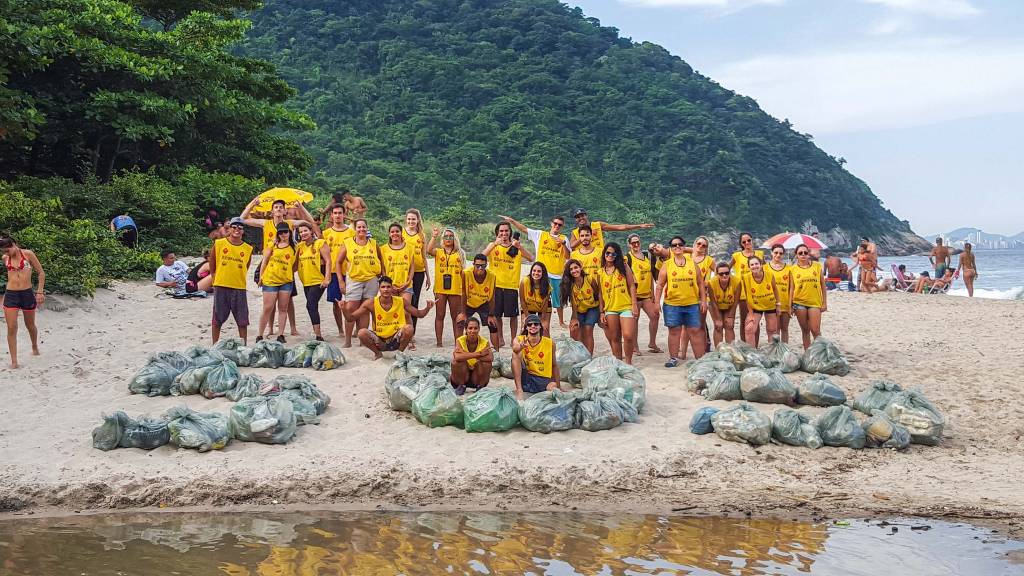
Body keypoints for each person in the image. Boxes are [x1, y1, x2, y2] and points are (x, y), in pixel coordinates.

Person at [241, 198, 317, 336]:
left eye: (281, 207)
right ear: (272, 211)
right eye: (276, 207)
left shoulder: (289, 224)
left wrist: (301, 208)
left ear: (285, 210)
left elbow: (310, 223)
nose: (278, 209)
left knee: (288, 299)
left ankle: (293, 328)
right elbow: (242, 219)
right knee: (270, 301)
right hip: (268, 262)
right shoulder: (266, 223)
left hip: (285, 264)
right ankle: (269, 328)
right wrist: (252, 204)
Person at [499, 214, 570, 327]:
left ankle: (561, 321)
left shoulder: (564, 238)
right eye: (555, 223)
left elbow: (567, 256)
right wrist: (512, 220)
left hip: (556, 274)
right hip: (540, 273)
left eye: (560, 225)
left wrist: (563, 244)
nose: (557, 226)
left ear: (562, 226)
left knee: (558, 300)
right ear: (551, 223)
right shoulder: (540, 234)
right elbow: (524, 229)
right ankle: (532, 317)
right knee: (535, 296)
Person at [655, 236, 707, 367]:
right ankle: (673, 358)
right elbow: (660, 285)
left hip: (692, 303)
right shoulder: (667, 264)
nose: (677, 247)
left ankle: (699, 360)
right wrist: (656, 302)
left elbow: (700, 283)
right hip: (672, 304)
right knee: (674, 331)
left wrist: (703, 301)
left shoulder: (692, 263)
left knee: (695, 331)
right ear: (671, 248)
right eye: (674, 245)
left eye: (679, 244)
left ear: (684, 247)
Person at [354, 276, 435, 359]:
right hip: (379, 340)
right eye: (383, 287)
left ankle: (399, 353)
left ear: (392, 288)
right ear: (379, 289)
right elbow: (351, 317)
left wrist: (427, 308)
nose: (386, 289)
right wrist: (344, 309)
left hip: (396, 339)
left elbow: (419, 314)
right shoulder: (371, 303)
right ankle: (378, 353)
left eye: (388, 287)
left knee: (409, 328)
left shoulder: (400, 301)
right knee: (361, 333)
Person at [484, 221, 534, 351]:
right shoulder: (493, 245)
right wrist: (494, 244)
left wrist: (520, 247)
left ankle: (513, 339)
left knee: (513, 315)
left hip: (511, 285)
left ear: (510, 232)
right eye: (501, 231)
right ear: (497, 233)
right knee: (497, 314)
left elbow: (531, 258)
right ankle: (500, 338)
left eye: (506, 231)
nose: (504, 233)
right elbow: (481, 257)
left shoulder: (515, 247)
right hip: (495, 285)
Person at [337, 218, 383, 347]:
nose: (361, 229)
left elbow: (381, 260)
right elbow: (338, 262)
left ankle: (363, 341)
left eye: (364, 227)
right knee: (350, 309)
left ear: (367, 228)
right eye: (359, 227)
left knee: (365, 310)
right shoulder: (348, 243)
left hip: (371, 280)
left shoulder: (373, 243)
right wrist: (341, 281)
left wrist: (383, 277)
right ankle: (347, 341)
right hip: (354, 279)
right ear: (355, 229)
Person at [1, 237, 44, 369]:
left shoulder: (28, 254)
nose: (6, 253)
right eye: (4, 251)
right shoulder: (5, 258)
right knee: (12, 327)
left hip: (27, 294)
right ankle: (14, 361)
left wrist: (40, 292)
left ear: (14, 245)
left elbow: (41, 272)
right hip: (11, 295)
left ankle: (34, 346)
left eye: (8, 250)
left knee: (30, 325)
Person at [209, 217, 253, 345]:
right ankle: (214, 345)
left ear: (243, 231)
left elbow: (246, 266)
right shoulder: (220, 244)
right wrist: (214, 278)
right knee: (217, 319)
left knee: (242, 320)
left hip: (239, 287)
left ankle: (243, 345)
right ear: (230, 228)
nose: (237, 230)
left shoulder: (247, 249)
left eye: (240, 228)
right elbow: (212, 262)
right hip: (221, 285)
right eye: (234, 227)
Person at [598, 241, 640, 364]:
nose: (610, 255)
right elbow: (600, 293)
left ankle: (628, 362)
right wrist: (601, 312)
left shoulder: (623, 266)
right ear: (604, 254)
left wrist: (634, 305)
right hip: (610, 308)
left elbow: (632, 285)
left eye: (614, 254)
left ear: (618, 255)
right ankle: (618, 362)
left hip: (626, 306)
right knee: (614, 337)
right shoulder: (600, 272)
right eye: (608, 253)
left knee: (628, 335)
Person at [256, 223, 297, 343]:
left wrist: (288, 272)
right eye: (281, 232)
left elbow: (296, 264)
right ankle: (260, 334)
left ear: (289, 233)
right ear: (277, 234)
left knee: (283, 308)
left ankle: (281, 334)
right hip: (270, 280)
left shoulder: (295, 247)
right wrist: (261, 276)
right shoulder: (272, 245)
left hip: (286, 281)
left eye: (286, 232)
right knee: (267, 307)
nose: (284, 235)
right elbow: (265, 260)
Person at [427, 226, 466, 347]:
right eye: (446, 236)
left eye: (451, 236)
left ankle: (457, 342)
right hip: (440, 289)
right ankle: (439, 342)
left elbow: (464, 273)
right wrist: (434, 236)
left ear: (455, 238)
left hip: (456, 289)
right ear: (443, 239)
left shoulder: (460, 253)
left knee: (456, 316)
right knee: (440, 315)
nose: (448, 239)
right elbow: (428, 250)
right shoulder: (439, 252)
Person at [321, 204, 355, 339]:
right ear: (331, 215)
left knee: (353, 301)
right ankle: (341, 329)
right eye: (335, 213)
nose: (337, 215)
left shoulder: (351, 232)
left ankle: (354, 328)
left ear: (344, 214)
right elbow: (323, 256)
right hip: (334, 272)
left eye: (340, 213)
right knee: (336, 302)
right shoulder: (326, 233)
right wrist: (326, 274)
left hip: (351, 271)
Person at [295, 222, 332, 341]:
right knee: (313, 306)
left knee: (310, 305)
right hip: (306, 281)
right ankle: (317, 333)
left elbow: (328, 261)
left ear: (311, 231)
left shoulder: (320, 243)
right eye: (300, 232)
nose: (303, 233)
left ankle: (319, 335)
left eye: (305, 231)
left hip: (318, 280)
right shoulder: (300, 246)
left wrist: (327, 278)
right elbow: (295, 264)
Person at [626, 234, 661, 354]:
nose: (636, 244)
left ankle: (652, 343)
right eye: (633, 243)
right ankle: (635, 347)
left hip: (646, 294)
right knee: (634, 320)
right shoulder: (628, 258)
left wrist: (653, 293)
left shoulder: (647, 256)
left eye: (637, 242)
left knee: (655, 316)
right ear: (629, 244)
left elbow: (651, 275)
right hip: (634, 296)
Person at [511, 313, 561, 400]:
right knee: (516, 354)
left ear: (540, 326)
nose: (533, 326)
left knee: (554, 391)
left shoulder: (550, 343)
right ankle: (519, 390)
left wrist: (559, 385)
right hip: (526, 377)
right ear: (526, 327)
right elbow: (515, 348)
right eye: (529, 324)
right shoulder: (520, 339)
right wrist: (520, 346)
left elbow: (554, 365)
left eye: (536, 324)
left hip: (543, 379)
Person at [567, 208, 654, 254]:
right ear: (575, 220)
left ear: (586, 216)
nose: (581, 218)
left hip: (600, 256)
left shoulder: (597, 225)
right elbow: (571, 246)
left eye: (582, 215)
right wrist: (584, 236)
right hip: (585, 260)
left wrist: (639, 226)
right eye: (578, 217)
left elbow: (620, 227)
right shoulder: (575, 232)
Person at [789, 243, 827, 349]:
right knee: (805, 330)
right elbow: (791, 289)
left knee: (815, 330)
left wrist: (824, 303)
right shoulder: (792, 269)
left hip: (815, 302)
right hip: (799, 303)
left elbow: (823, 286)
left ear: (808, 254)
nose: (803, 255)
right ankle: (808, 354)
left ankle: (820, 352)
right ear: (796, 255)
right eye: (800, 253)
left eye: (805, 252)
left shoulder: (817, 266)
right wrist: (790, 306)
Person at [560, 258, 600, 354]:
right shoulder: (570, 284)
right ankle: (577, 355)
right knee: (574, 329)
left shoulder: (589, 278)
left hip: (593, 307)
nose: (574, 271)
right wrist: (574, 318)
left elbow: (598, 294)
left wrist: (602, 312)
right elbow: (573, 303)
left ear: (581, 267)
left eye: (576, 267)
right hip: (579, 310)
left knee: (588, 329)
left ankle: (589, 357)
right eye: (571, 269)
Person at [730, 232, 764, 343]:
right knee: (745, 320)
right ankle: (745, 344)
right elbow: (725, 270)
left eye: (749, 240)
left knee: (755, 321)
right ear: (741, 243)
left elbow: (765, 272)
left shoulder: (759, 254)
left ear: (752, 240)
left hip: (757, 292)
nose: (747, 243)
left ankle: (755, 345)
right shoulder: (737, 256)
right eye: (744, 242)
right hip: (743, 293)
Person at [403, 209, 431, 333]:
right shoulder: (402, 233)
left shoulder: (421, 235)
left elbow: (424, 256)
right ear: (406, 219)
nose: (411, 221)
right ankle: (402, 329)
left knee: (415, 301)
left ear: (418, 220)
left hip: (419, 272)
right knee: (404, 302)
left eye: (413, 219)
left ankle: (412, 331)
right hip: (404, 271)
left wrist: (428, 276)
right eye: (409, 219)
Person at [742, 256, 779, 347]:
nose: (754, 266)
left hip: (770, 305)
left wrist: (778, 305)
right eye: (752, 265)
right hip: (756, 306)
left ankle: (772, 352)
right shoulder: (746, 277)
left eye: (756, 264)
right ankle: (752, 353)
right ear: (749, 267)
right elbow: (748, 296)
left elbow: (775, 289)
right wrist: (750, 313)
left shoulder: (769, 275)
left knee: (772, 330)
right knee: (749, 329)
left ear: (761, 265)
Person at [450, 316, 494, 395]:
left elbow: (490, 358)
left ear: (479, 329)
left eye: (475, 328)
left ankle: (480, 386)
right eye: (470, 328)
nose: (473, 331)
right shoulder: (460, 340)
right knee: (456, 362)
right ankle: (461, 385)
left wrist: (464, 354)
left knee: (487, 364)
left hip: (477, 376)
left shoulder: (485, 342)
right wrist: (479, 354)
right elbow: (457, 357)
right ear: (466, 329)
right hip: (462, 375)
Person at [459, 254, 497, 335]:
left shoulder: (492, 275)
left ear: (486, 265)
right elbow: (463, 293)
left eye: (483, 266)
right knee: (460, 322)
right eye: (478, 265)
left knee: (493, 325)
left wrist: (491, 314)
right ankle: (458, 346)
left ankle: (496, 348)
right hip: (469, 302)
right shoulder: (466, 273)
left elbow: (492, 296)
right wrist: (463, 313)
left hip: (483, 302)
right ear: (473, 264)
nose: (480, 268)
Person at [707, 261, 741, 347]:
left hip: (729, 305)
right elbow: (712, 301)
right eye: (721, 274)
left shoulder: (737, 282)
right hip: (715, 305)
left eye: (727, 273)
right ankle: (719, 351)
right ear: (717, 274)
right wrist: (718, 318)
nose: (724, 275)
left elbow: (736, 301)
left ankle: (731, 350)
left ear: (730, 272)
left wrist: (730, 316)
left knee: (729, 325)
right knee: (718, 326)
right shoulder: (711, 282)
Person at [380, 223, 416, 304]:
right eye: (392, 232)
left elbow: (412, 267)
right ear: (389, 234)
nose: (395, 233)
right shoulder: (383, 249)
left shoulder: (410, 248)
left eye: (397, 231)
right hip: (390, 286)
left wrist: (408, 282)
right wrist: (389, 284)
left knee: (406, 312)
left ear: (401, 232)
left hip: (406, 285)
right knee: (393, 312)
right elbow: (383, 269)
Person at [765, 244, 792, 343]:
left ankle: (784, 349)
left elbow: (791, 288)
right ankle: (775, 350)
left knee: (784, 328)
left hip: (785, 302)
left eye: (780, 253)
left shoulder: (789, 268)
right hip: (771, 303)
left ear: (783, 254)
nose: (778, 255)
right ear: (771, 253)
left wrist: (790, 305)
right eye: (776, 252)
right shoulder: (765, 267)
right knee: (774, 330)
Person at [519, 262, 552, 333]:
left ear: (543, 273)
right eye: (534, 270)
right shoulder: (524, 281)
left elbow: (545, 305)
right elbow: (522, 301)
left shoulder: (547, 286)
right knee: (524, 329)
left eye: (539, 271)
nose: (536, 273)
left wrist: (542, 319)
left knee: (544, 329)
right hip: (528, 307)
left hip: (542, 307)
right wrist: (528, 317)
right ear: (531, 271)